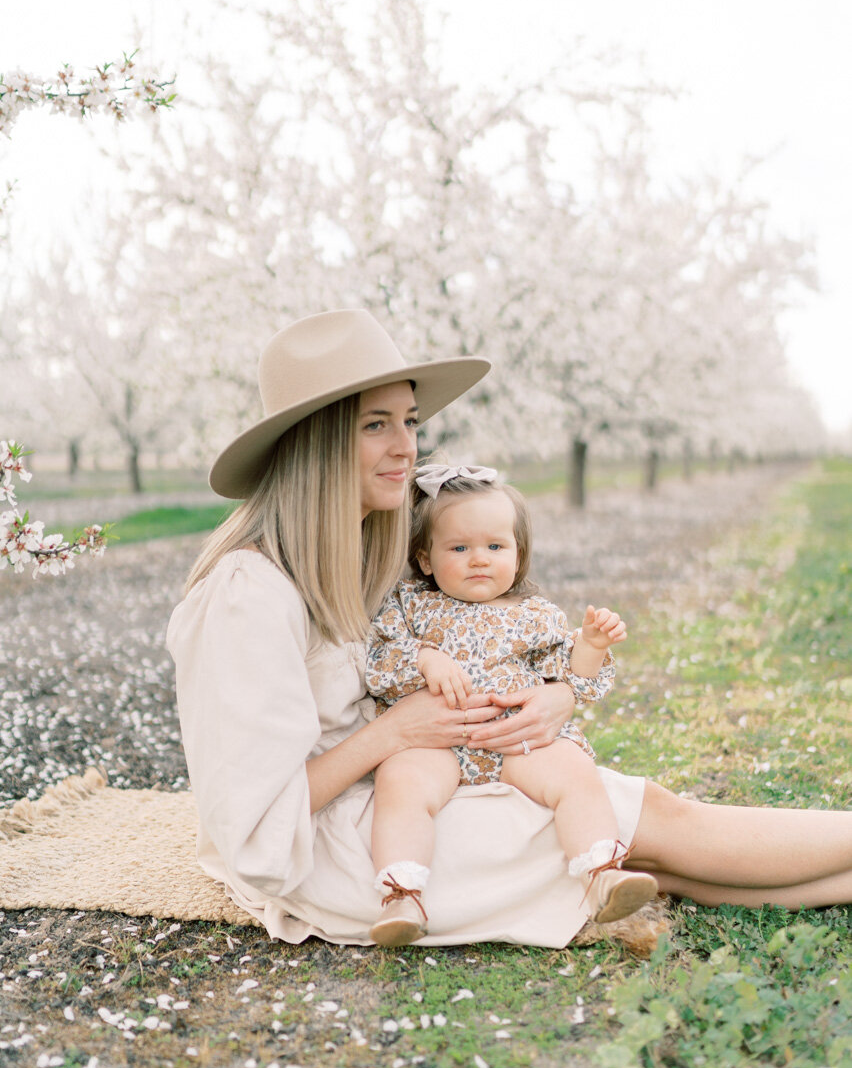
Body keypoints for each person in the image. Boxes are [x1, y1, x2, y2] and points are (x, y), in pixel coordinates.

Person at [167, 308, 852, 949]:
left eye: (410, 421)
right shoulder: (245, 595)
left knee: (652, 849)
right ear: (316, 444)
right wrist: (397, 732)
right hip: (344, 846)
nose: (405, 446)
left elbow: (471, 537)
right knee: (658, 822)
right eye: (376, 425)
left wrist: (560, 693)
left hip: (415, 788)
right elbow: (251, 826)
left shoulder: (369, 541)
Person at [366, 465, 657, 944]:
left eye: (495, 547)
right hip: (436, 742)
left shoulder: (535, 615)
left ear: (518, 556)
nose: (479, 559)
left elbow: (571, 677)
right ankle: (402, 895)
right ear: (425, 559)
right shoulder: (411, 605)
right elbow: (378, 658)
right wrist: (425, 656)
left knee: (572, 772)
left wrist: (592, 644)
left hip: (515, 742)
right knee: (401, 785)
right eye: (459, 548)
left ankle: (602, 871)